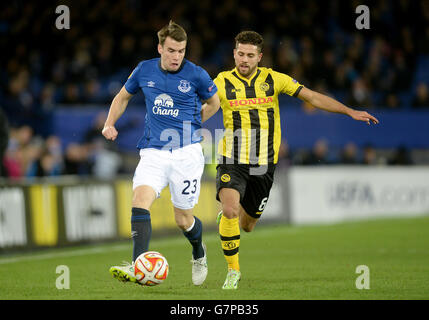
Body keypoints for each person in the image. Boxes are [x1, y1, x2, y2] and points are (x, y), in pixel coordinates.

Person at [213, 31, 379, 289]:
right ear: (234, 53)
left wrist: (349, 111)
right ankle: (233, 271)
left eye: (250, 55)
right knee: (231, 208)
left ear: (259, 57)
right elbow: (203, 108)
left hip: (264, 164)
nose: (244, 59)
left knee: (246, 225)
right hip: (231, 158)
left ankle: (229, 220)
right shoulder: (221, 82)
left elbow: (311, 97)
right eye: (240, 54)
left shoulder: (274, 79)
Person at [103, 21, 220, 286]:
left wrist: (197, 120)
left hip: (187, 154)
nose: (177, 56)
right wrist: (109, 123)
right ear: (160, 48)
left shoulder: (197, 74)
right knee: (139, 200)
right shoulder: (144, 69)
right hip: (153, 152)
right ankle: (137, 264)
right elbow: (122, 97)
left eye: (181, 50)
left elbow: (214, 101)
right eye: (171, 50)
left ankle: (199, 251)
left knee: (183, 220)